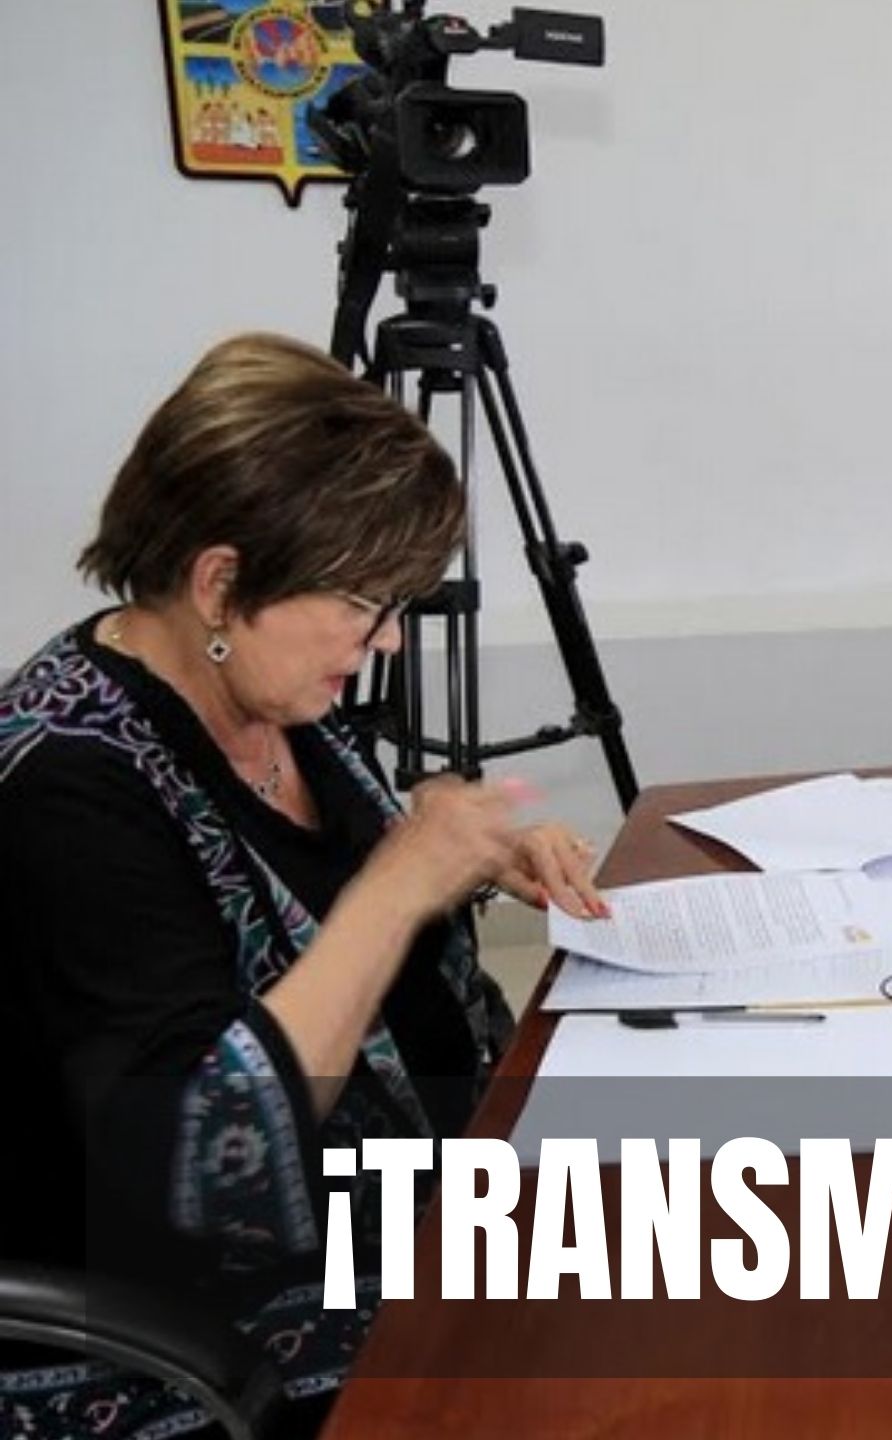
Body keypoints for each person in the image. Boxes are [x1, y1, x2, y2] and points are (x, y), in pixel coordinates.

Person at [0, 334, 607, 1438]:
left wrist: (465, 862)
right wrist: (397, 886)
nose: (386, 644)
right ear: (222, 584)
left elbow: (328, 922)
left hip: (410, 1208)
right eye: (366, 603)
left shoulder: (270, 702)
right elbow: (204, 1163)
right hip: (212, 1327)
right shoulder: (65, 787)